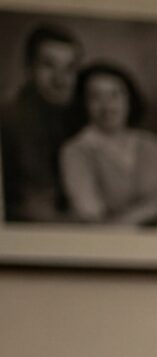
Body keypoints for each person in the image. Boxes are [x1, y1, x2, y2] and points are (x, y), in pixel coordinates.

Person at [58, 61, 157, 227]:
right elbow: (90, 213)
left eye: (115, 94)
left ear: (129, 99)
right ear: (83, 103)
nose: (107, 106)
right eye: (96, 97)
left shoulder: (152, 145)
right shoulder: (75, 151)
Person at [1, 24, 82, 223]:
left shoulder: (75, 117)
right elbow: (35, 209)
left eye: (69, 68)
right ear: (29, 69)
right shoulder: (13, 120)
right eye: (49, 65)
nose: (60, 79)